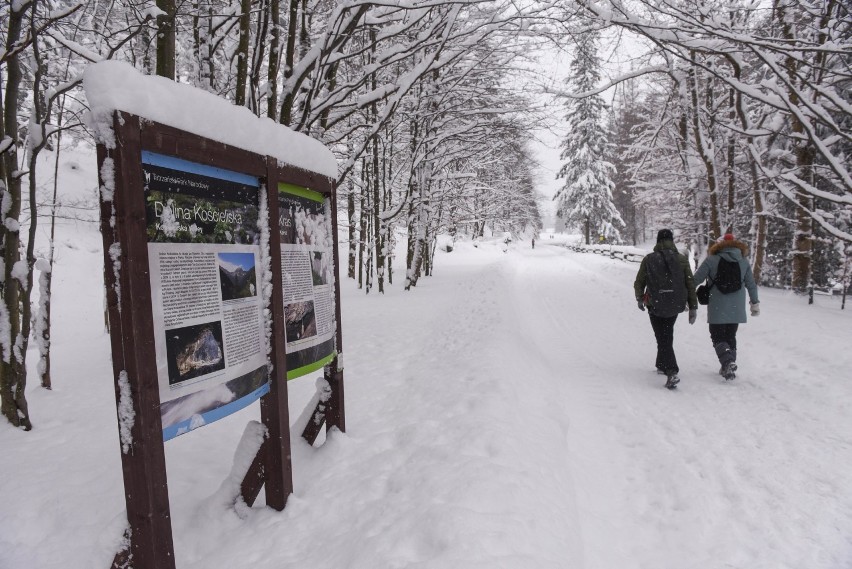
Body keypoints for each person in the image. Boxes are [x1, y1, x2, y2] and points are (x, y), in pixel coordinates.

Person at [634, 229, 698, 389]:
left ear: (657, 241)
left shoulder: (649, 259)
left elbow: (639, 281)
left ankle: (671, 371)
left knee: (663, 336)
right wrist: (693, 307)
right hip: (675, 304)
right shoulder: (682, 259)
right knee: (666, 333)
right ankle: (661, 364)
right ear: (671, 240)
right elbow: (690, 284)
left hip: (655, 303)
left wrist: (640, 298)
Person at [693, 233, 760, 380]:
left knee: (717, 336)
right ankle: (728, 366)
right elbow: (751, 285)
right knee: (730, 336)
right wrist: (754, 303)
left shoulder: (711, 260)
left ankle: (728, 362)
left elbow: (696, 279)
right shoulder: (743, 261)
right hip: (736, 308)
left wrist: (686, 295)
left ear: (720, 244)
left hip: (717, 306)